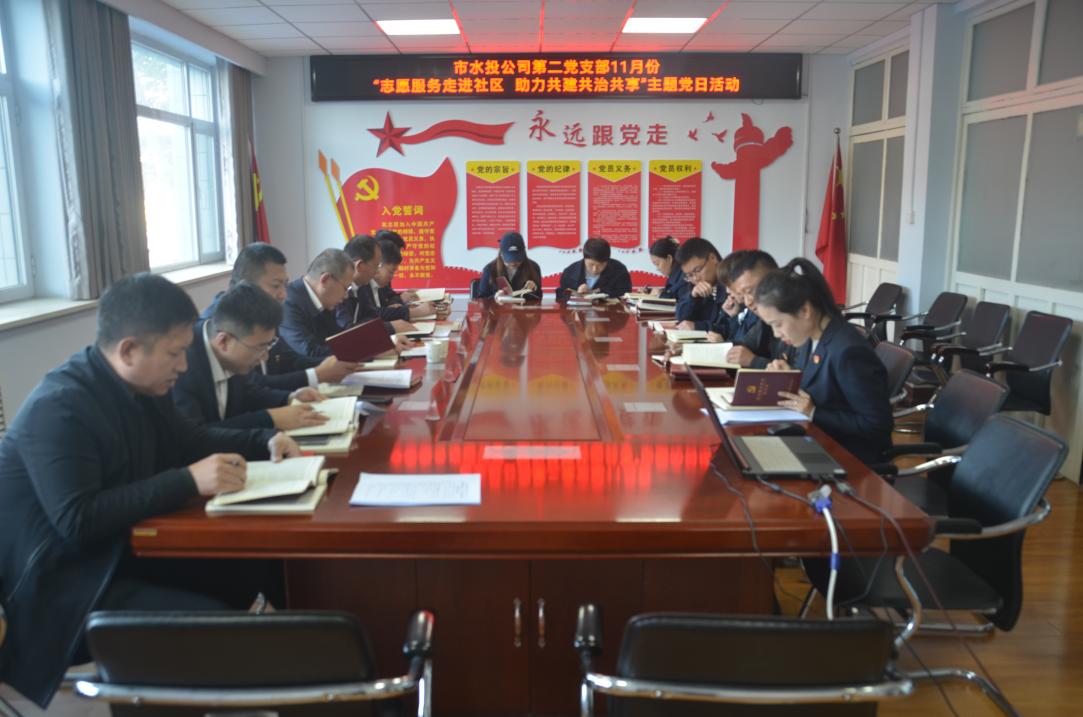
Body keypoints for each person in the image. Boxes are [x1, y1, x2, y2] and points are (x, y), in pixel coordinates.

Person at [0, 273, 299, 707]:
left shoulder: (145, 386)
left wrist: (263, 440)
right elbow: (77, 522)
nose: (184, 366)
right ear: (128, 350)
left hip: (120, 552)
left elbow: (191, 440)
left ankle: (286, 682)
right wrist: (187, 480)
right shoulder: (60, 408)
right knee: (216, 623)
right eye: (175, 353)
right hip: (65, 586)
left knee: (256, 565)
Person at [753, 258, 893, 465]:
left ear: (805, 311)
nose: (776, 334)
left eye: (778, 324)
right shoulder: (811, 337)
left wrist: (813, 412)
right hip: (816, 441)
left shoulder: (848, 351)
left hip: (849, 459)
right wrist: (790, 375)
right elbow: (819, 383)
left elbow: (877, 425)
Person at [204, 243, 361, 390]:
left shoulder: (265, 313)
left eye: (285, 285)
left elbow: (288, 359)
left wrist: (337, 363)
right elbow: (252, 386)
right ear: (246, 285)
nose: (283, 295)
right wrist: (315, 375)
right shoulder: (220, 323)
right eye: (275, 286)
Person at [174, 283, 328, 431]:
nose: (264, 357)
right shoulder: (181, 365)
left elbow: (248, 393)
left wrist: (289, 397)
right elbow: (195, 436)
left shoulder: (233, 351)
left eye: (269, 345)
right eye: (260, 347)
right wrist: (270, 419)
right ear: (224, 341)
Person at [280, 248, 355, 358]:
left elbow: (338, 341)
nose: (346, 295)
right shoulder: (288, 303)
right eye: (346, 287)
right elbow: (310, 352)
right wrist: (362, 352)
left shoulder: (326, 302)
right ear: (325, 279)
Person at [718, 250, 786, 368]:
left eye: (750, 291)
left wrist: (754, 361)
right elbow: (744, 343)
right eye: (742, 294)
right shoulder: (763, 320)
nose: (747, 302)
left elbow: (794, 373)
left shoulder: (793, 318)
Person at [337, 235, 415, 335]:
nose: (376, 271)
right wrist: (390, 327)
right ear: (360, 266)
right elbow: (348, 331)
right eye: (376, 266)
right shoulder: (340, 291)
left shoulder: (360, 287)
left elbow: (372, 316)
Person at [673, 237, 729, 334]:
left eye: (697, 270)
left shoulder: (732, 284)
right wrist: (692, 298)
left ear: (713, 258)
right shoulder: (694, 285)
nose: (695, 278)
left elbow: (732, 329)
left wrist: (698, 326)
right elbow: (681, 318)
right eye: (689, 275)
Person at [557, 237, 632, 299]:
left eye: (600, 265)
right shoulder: (570, 272)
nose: (595, 269)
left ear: (607, 261)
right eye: (591, 264)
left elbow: (626, 295)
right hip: (578, 312)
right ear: (584, 258)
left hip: (609, 311)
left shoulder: (619, 270)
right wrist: (576, 294)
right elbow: (560, 296)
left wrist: (597, 293)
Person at [476, 231, 542, 300]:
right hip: (497, 307)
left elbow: (539, 297)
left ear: (524, 253)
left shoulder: (534, 268)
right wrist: (495, 297)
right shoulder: (489, 269)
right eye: (509, 260)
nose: (513, 263)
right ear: (501, 254)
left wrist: (534, 289)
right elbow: (481, 299)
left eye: (517, 259)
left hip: (523, 307)